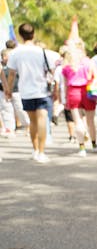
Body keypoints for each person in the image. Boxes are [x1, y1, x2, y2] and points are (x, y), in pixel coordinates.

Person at [5, 23, 59, 163]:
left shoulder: (16, 52)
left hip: (25, 91)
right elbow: (52, 71)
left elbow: (11, 74)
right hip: (42, 89)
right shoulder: (42, 51)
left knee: (32, 121)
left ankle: (35, 149)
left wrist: (8, 90)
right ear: (33, 34)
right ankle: (41, 152)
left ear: (20, 35)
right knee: (42, 119)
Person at [61, 43, 97, 156]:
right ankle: (94, 144)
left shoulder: (67, 66)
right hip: (87, 92)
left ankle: (82, 147)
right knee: (90, 121)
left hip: (73, 92)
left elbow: (65, 85)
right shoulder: (88, 62)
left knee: (77, 121)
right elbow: (95, 77)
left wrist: (65, 99)